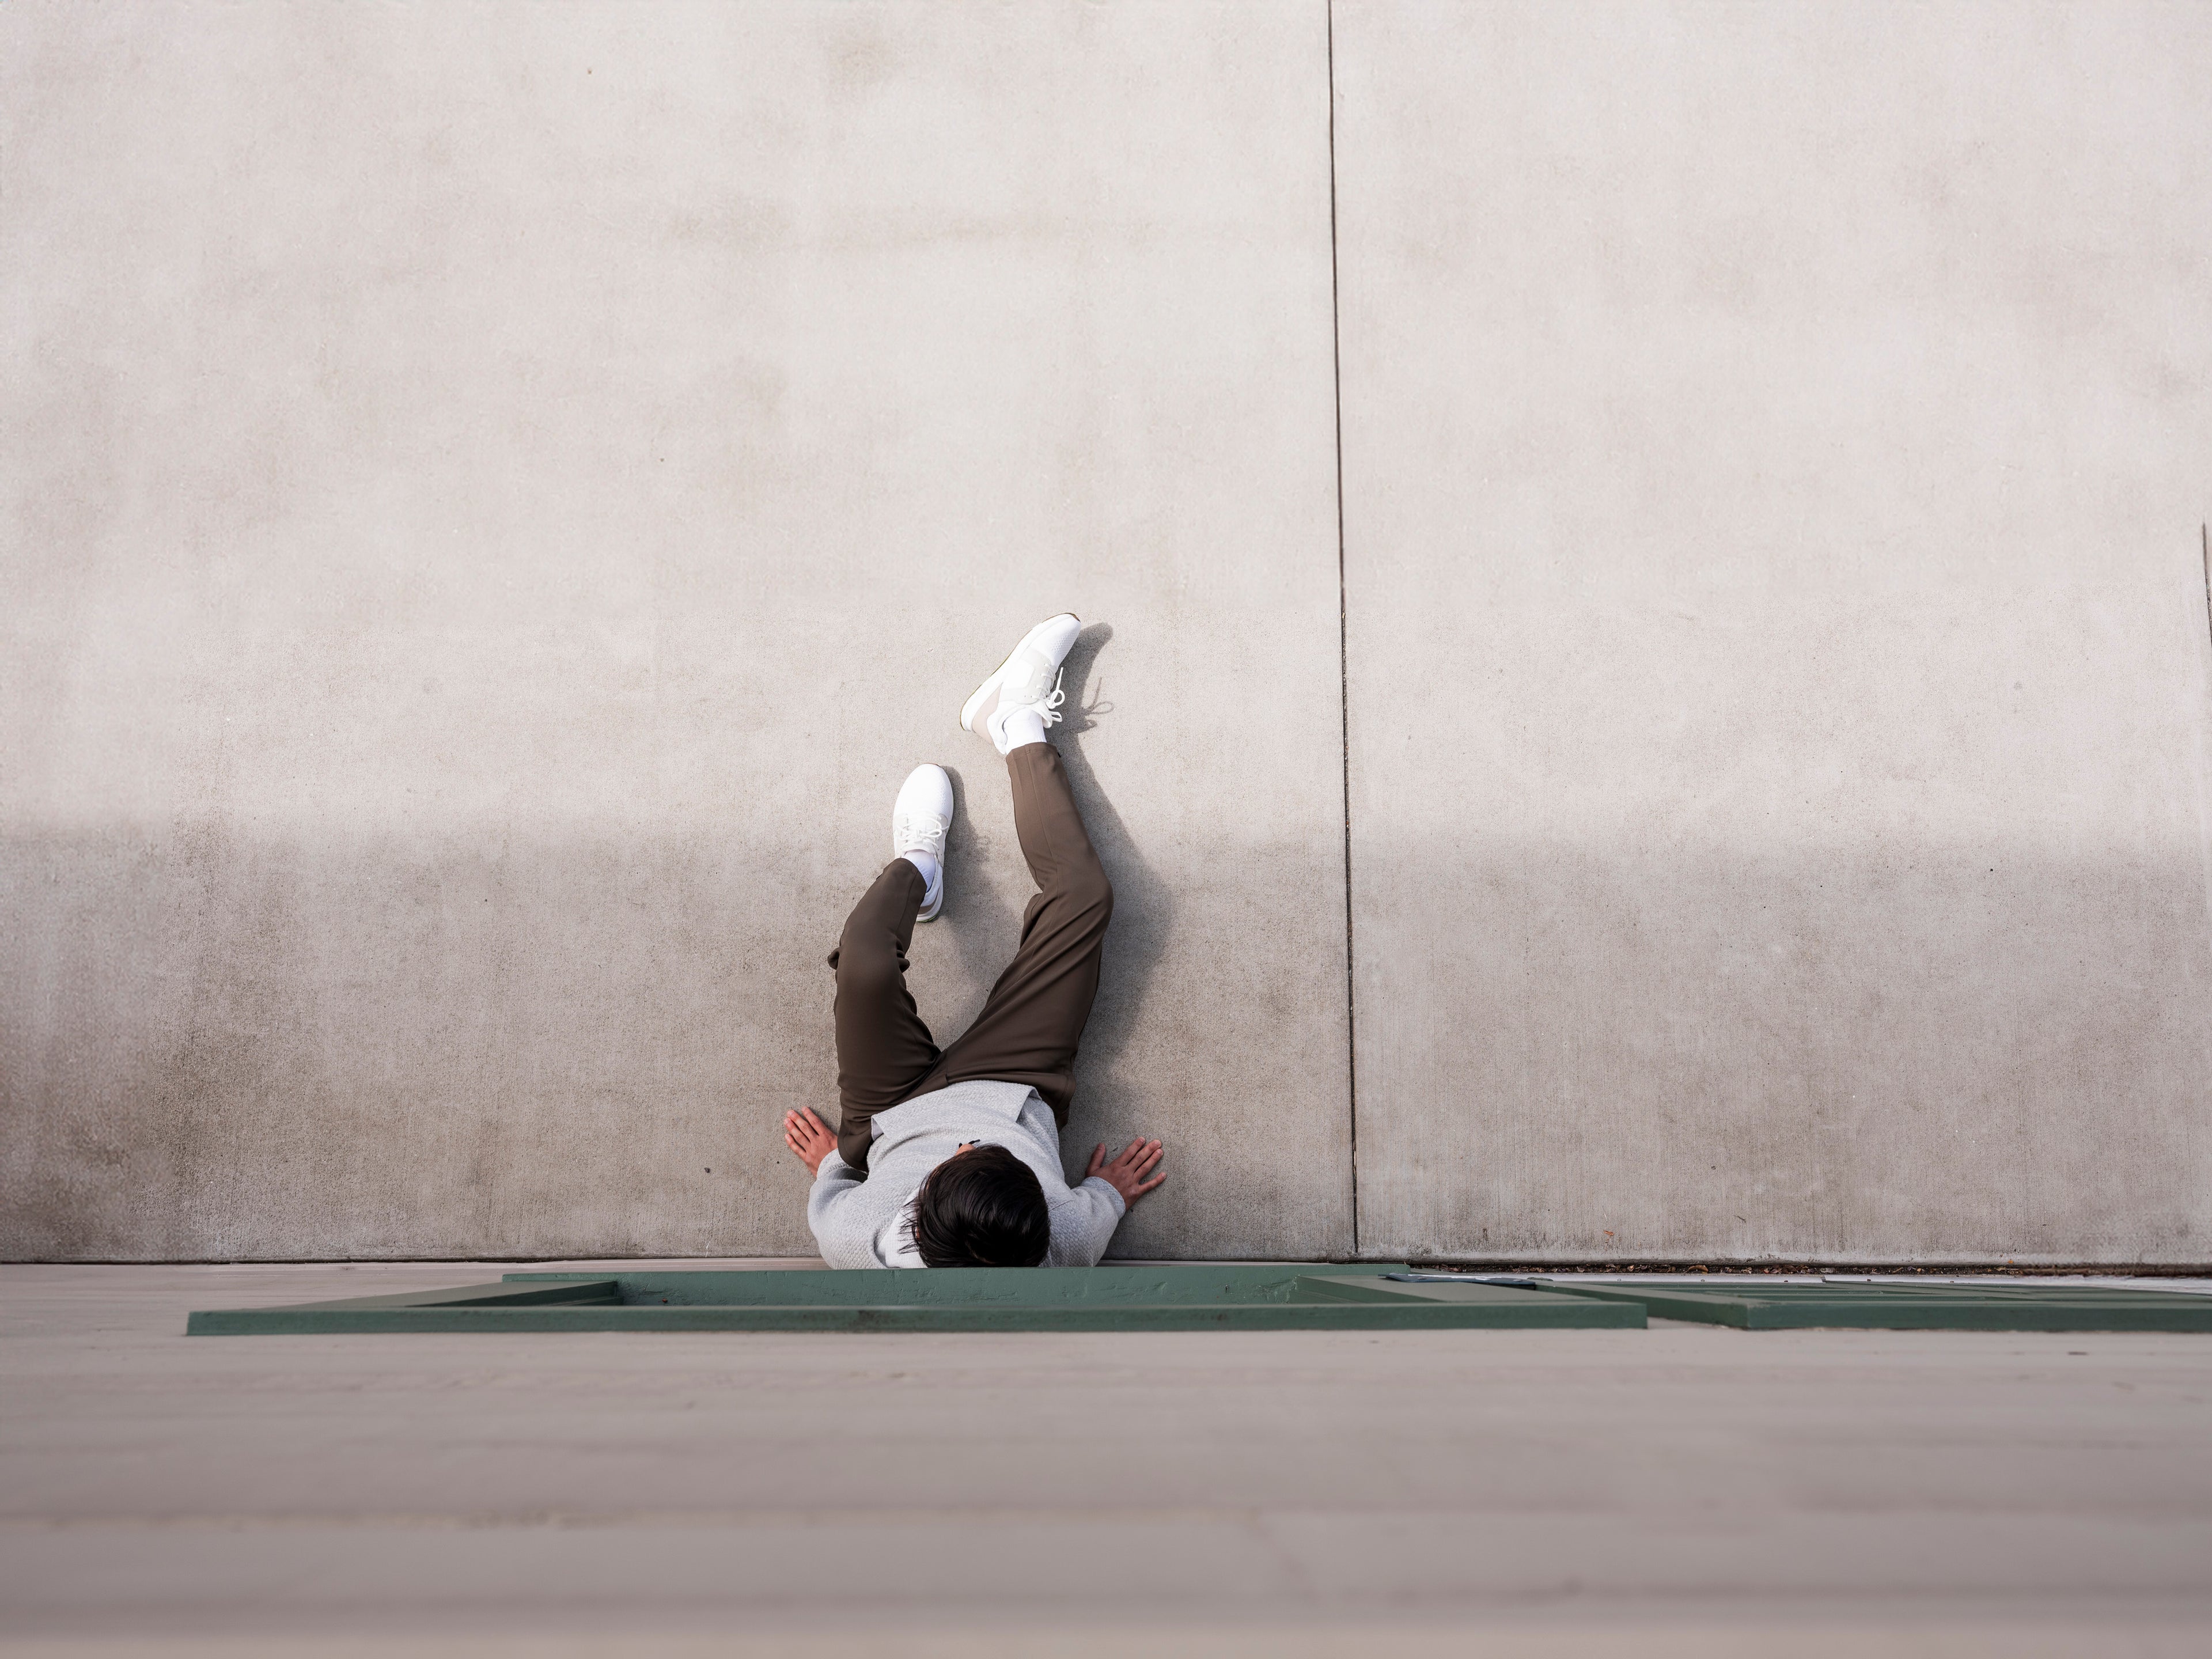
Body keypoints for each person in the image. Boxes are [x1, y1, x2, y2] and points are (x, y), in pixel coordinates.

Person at [781, 613, 1166, 1268]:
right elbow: (1095, 1208)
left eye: (958, 1158)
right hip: (1013, 1082)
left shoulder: (854, 1240)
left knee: (866, 962)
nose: (965, 1140)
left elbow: (835, 1197)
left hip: (889, 1111)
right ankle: (1015, 721)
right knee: (1085, 898)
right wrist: (1109, 1191)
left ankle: (917, 867)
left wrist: (834, 1166)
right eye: (994, 1153)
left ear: (915, 1210)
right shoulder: (1064, 1236)